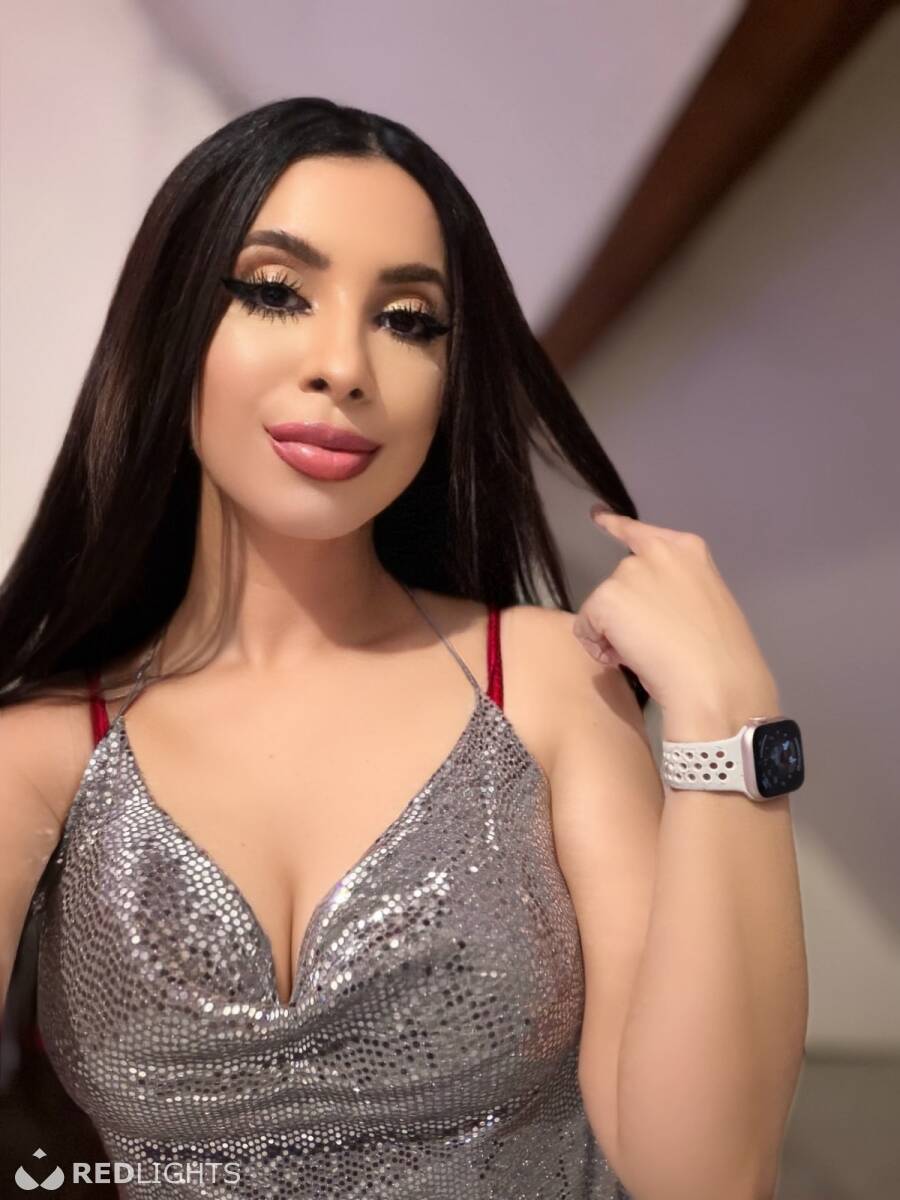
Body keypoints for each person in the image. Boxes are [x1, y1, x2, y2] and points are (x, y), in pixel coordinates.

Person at [0, 98, 804, 1199]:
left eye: (409, 319)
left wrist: (731, 711)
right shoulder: (42, 751)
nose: (344, 365)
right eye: (275, 291)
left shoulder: (546, 684)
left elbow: (707, 1178)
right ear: (168, 328)